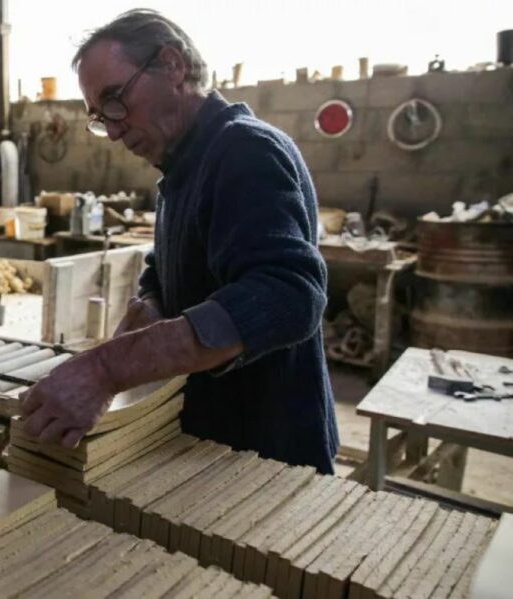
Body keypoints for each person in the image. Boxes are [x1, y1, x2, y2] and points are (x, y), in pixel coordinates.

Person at [20, 9, 339, 474]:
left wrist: (106, 369)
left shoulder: (244, 150)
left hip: (273, 453)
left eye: (115, 99)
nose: (111, 128)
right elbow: (164, 266)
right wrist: (152, 303)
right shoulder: (182, 168)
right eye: (98, 116)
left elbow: (288, 295)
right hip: (217, 443)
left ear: (172, 66)